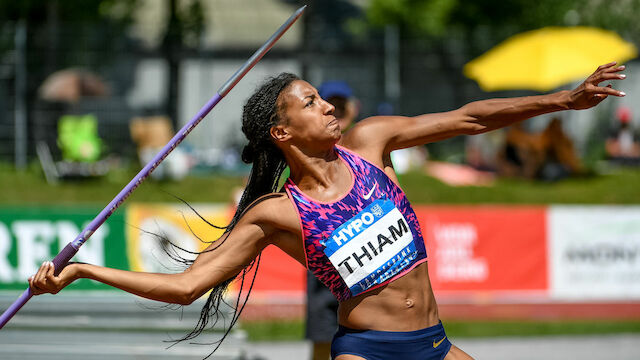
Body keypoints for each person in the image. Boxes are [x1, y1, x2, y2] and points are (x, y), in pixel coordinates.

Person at [29, 62, 626, 360]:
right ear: (284, 132)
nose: (328, 109)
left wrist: (565, 100)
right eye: (312, 104)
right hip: (370, 354)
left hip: (437, 345)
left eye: (322, 99)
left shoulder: (371, 142)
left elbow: (469, 118)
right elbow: (188, 287)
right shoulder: (274, 214)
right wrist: (84, 271)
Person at [306, 80, 359, 360]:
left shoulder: (367, 146)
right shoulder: (310, 149)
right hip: (327, 256)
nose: (334, 111)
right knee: (323, 336)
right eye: (330, 105)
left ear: (354, 108)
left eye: (341, 105)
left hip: (365, 254)